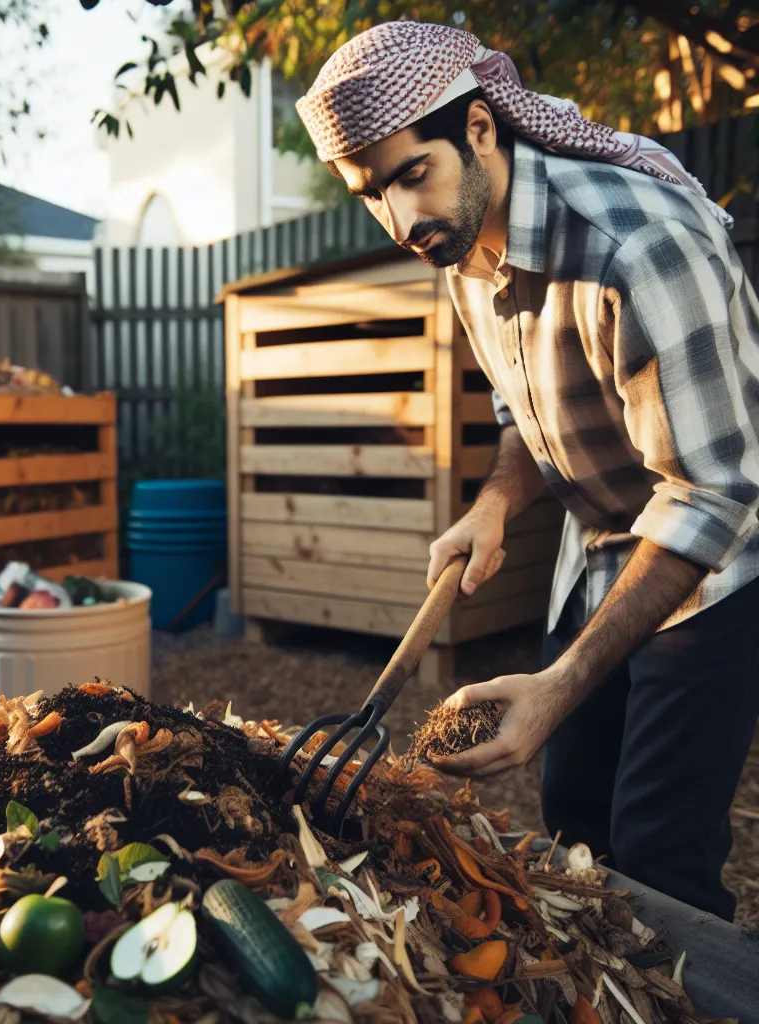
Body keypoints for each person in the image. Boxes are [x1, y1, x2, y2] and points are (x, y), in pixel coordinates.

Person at [295, 20, 759, 921]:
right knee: (574, 819)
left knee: (661, 856)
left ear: (478, 130)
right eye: (369, 194)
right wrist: (497, 504)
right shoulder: (458, 244)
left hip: (718, 561)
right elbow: (530, 413)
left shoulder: (639, 247)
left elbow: (717, 492)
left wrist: (558, 686)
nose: (398, 221)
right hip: (594, 555)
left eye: (408, 175)